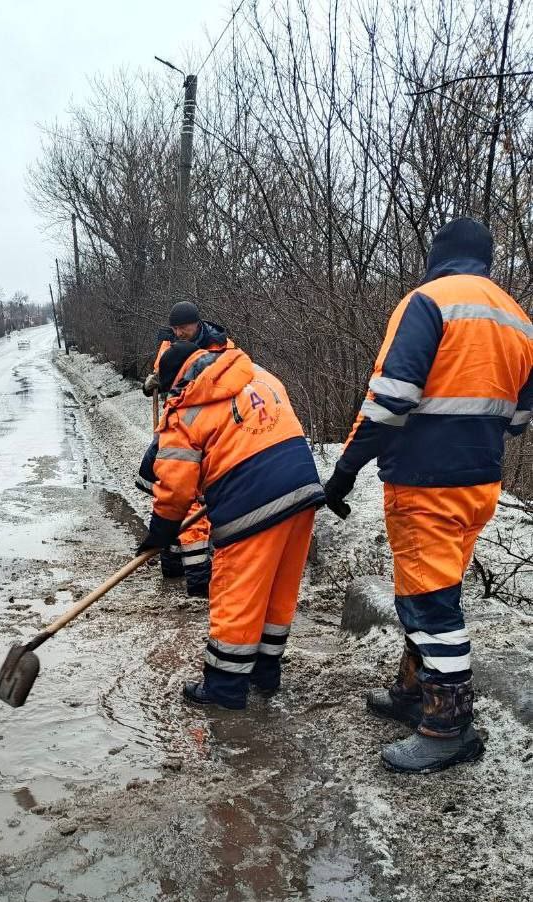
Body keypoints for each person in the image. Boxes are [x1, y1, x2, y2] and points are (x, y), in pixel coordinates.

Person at [323, 217, 533, 773]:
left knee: (428, 603)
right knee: (437, 588)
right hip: (480, 483)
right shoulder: (516, 318)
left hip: (425, 483)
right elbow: (518, 419)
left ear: (438, 255)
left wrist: (344, 472)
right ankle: (413, 692)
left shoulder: (427, 302)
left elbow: (389, 402)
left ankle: (448, 726)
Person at [138, 338, 325, 708]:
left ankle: (225, 689)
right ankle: (265, 674)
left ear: (177, 381)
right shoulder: (256, 374)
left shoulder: (186, 408)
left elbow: (175, 491)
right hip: (303, 489)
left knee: (237, 596)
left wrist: (158, 533)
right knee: (277, 590)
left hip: (250, 506)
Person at [142, 302, 228, 597]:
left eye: (184, 328)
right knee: (167, 483)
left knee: (191, 494)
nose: (179, 333)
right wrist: (154, 379)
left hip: (203, 420)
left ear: (197, 324)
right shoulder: (169, 341)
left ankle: (196, 576)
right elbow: (161, 370)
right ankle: (172, 562)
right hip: (175, 417)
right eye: (175, 329)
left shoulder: (219, 345)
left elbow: (221, 380)